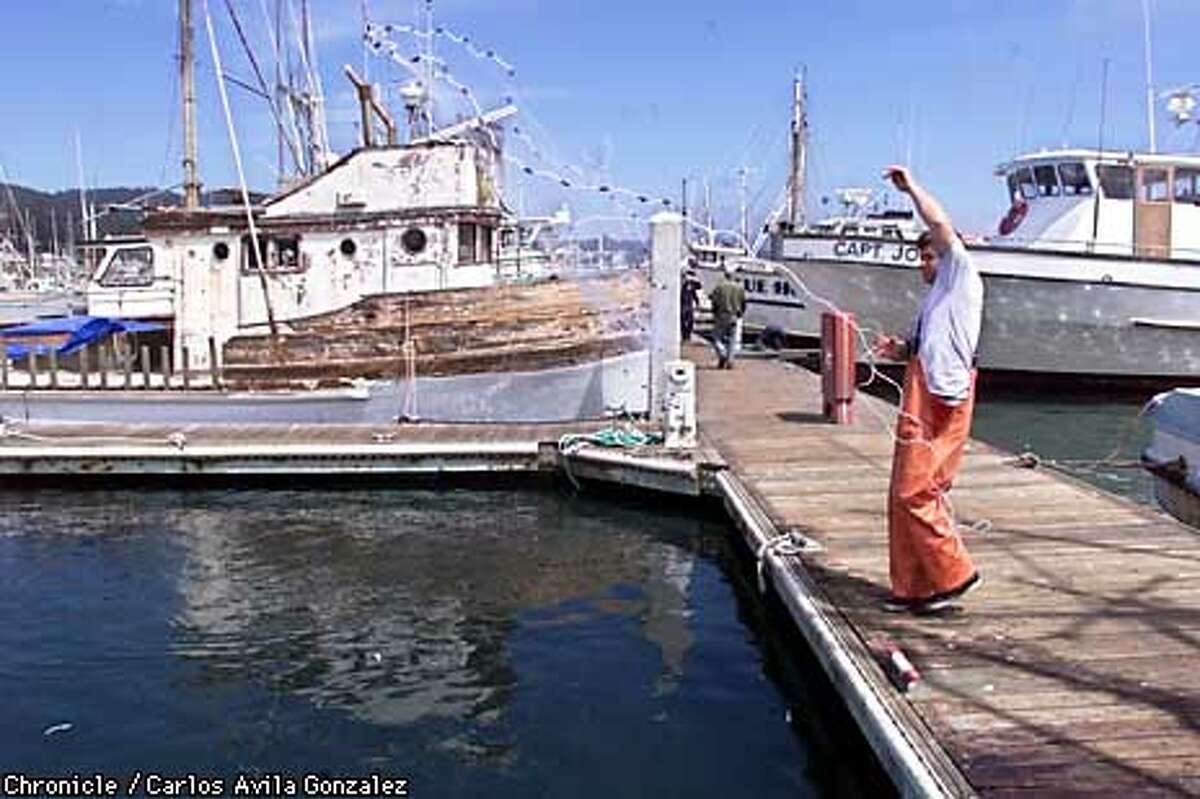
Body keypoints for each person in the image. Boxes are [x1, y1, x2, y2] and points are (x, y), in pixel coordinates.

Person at [872, 165, 983, 613]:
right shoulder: (933, 297)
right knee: (900, 496)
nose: (924, 264)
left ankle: (953, 574)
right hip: (919, 391)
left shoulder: (961, 274)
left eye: (928, 256)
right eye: (921, 258)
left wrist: (911, 187)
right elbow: (920, 347)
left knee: (917, 491)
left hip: (944, 398)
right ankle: (913, 588)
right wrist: (895, 349)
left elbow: (939, 224)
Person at [708, 258, 745, 369]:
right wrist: (740, 313)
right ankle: (730, 361)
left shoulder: (719, 287)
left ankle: (722, 353)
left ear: (725, 275)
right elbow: (743, 302)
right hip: (734, 316)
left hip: (721, 316)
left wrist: (714, 312)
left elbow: (713, 300)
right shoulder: (739, 288)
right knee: (732, 340)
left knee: (716, 338)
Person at [680, 263, 702, 341]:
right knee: (682, 319)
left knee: (690, 320)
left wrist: (697, 302)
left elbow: (698, 288)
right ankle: (684, 335)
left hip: (689, 304)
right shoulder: (681, 284)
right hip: (682, 304)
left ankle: (688, 335)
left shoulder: (692, 284)